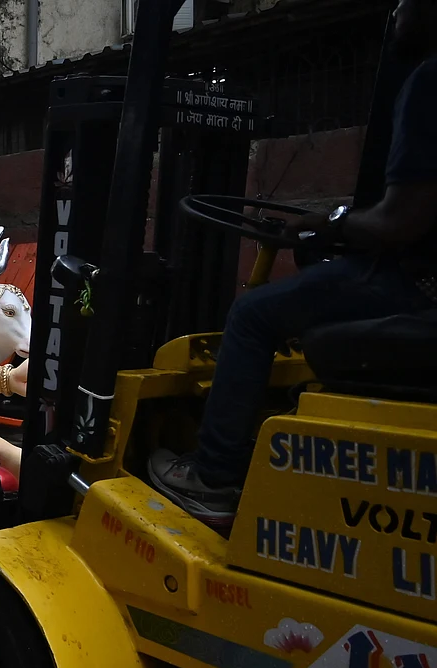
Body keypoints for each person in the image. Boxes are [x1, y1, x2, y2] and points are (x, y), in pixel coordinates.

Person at [149, 0, 437, 530]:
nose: (395, 13)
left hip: (416, 289)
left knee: (253, 315)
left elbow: (402, 220)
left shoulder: (429, 83)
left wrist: (334, 224)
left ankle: (214, 477)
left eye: (406, 3)